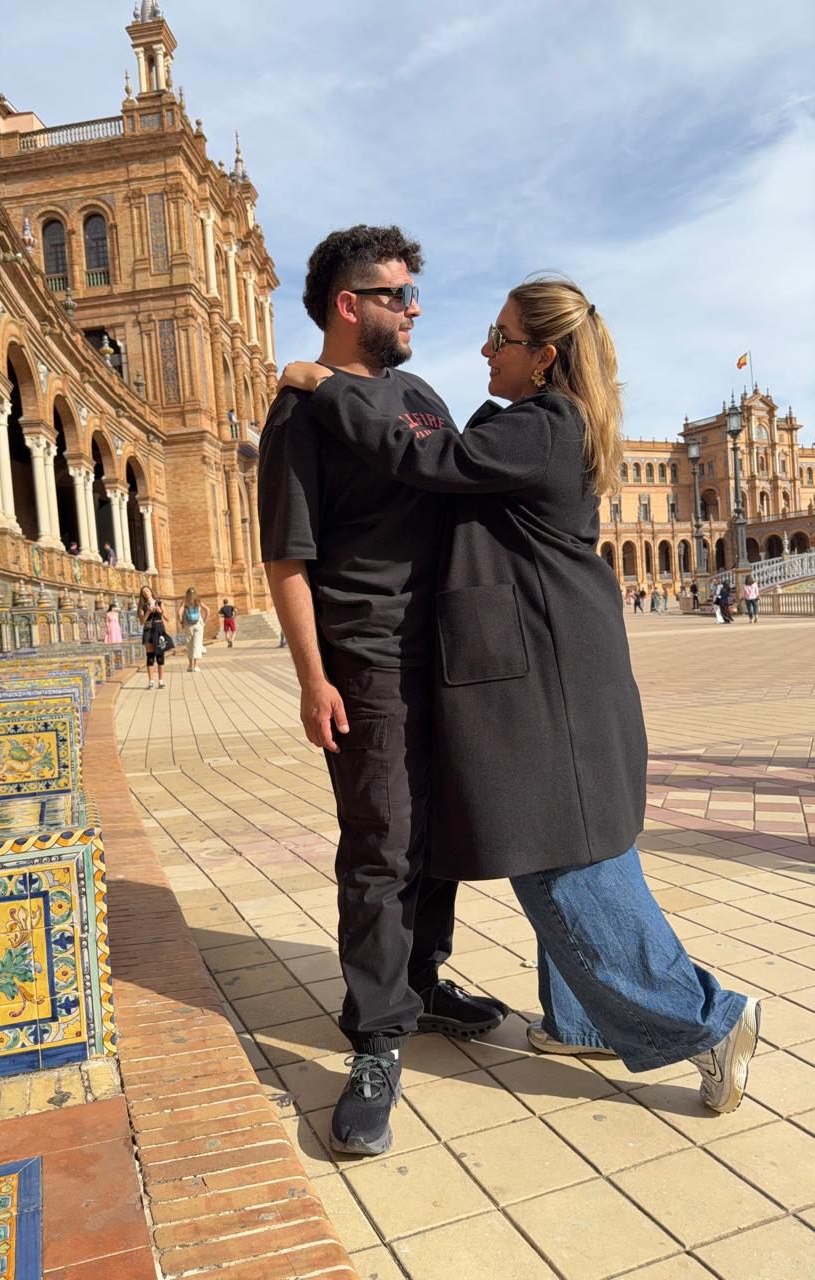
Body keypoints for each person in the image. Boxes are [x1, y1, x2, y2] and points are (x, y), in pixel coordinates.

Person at [280, 273, 760, 1128]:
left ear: (543, 356)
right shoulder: (546, 423)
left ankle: (706, 1023)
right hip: (555, 661)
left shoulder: (542, 426)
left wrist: (328, 387)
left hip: (552, 673)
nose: (483, 349)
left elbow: (429, 460)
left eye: (499, 338)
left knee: (560, 861)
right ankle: (581, 1023)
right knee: (576, 841)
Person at [258, 225, 508, 1157]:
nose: (413, 309)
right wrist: (312, 678)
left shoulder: (421, 397)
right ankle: (375, 1038)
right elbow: (287, 556)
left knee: (438, 834)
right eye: (396, 295)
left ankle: (423, 981)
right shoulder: (299, 415)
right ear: (347, 303)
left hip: (449, 650)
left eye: (412, 293)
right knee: (381, 844)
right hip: (366, 659)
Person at [137, 586, 169, 688]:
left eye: (147, 590)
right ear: (142, 595)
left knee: (160, 655)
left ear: (151, 591)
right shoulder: (142, 606)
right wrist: (148, 612)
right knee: (150, 656)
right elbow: (142, 621)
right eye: (143, 592)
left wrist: (160, 611)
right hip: (148, 630)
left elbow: (167, 618)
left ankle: (161, 681)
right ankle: (151, 681)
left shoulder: (159, 603)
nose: (146, 593)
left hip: (159, 629)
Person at [177, 587, 208, 672]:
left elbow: (179, 613)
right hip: (198, 625)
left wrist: (181, 622)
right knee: (197, 644)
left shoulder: (184, 602)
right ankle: (196, 666)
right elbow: (208, 610)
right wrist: (204, 622)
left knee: (189, 644)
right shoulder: (198, 601)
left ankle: (190, 666)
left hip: (188, 625)